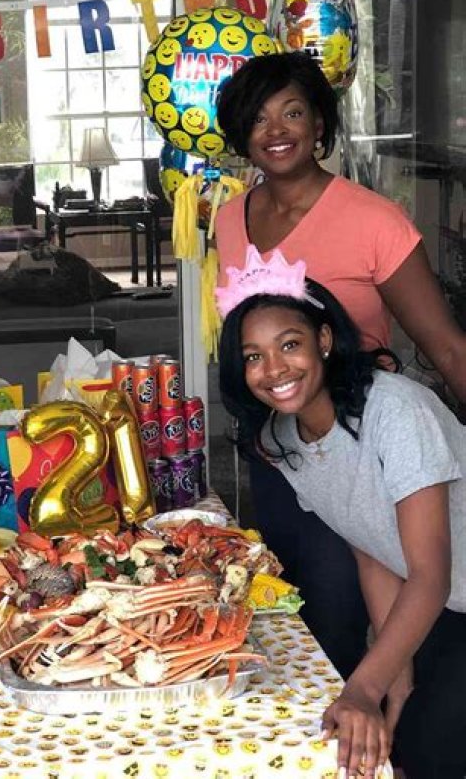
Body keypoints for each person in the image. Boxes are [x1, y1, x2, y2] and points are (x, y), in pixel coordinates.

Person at [214, 51, 466, 679]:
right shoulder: (229, 218)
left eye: (293, 113)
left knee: (345, 605)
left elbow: (446, 346)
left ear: (320, 123)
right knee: (289, 598)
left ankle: (372, 715)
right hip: (277, 444)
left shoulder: (374, 220)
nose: (276, 131)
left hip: (363, 447)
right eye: (259, 118)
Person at [217, 248, 466, 779]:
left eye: (290, 344)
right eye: (253, 356)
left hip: (444, 590)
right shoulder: (281, 438)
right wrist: (393, 674)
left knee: (431, 748)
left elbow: (430, 575)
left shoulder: (396, 412)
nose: (274, 369)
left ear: (324, 340)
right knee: (394, 740)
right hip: (445, 602)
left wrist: (365, 687)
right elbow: (369, 546)